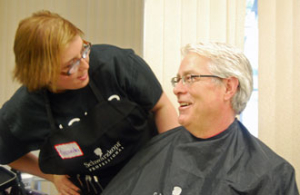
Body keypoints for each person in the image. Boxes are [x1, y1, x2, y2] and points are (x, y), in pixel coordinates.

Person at [0, 10, 179, 195]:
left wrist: (169, 164)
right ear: (42, 74)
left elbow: (162, 106)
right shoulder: (24, 110)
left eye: (84, 50)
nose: (85, 65)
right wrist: (53, 176)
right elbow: (10, 154)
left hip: (152, 168)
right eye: (71, 65)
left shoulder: (116, 64)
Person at [101, 42, 299, 195]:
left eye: (191, 78)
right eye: (178, 80)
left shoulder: (270, 174)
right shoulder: (155, 148)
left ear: (228, 87)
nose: (177, 89)